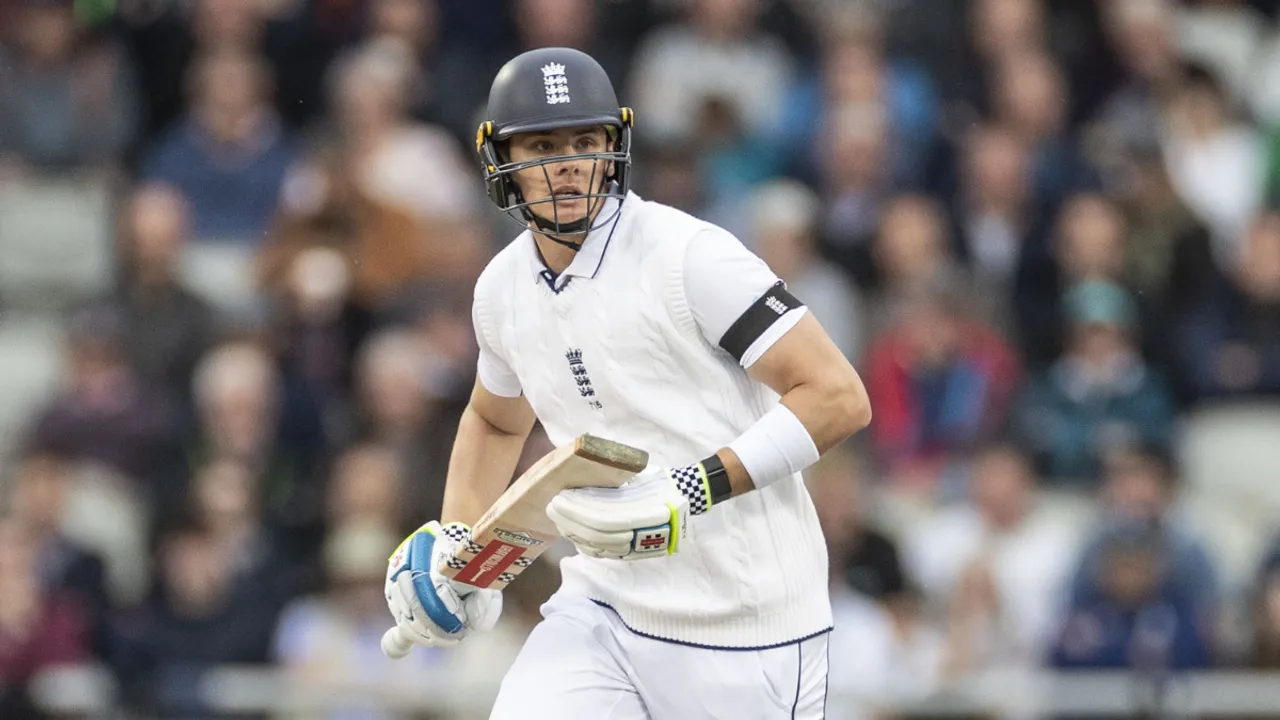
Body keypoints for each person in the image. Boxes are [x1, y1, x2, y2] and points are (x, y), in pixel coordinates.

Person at [379, 47, 872, 719]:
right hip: (601, 605)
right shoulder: (499, 289)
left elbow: (839, 397)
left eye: (585, 141)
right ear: (500, 159)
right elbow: (494, 419)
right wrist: (463, 551)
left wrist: (693, 487)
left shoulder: (690, 255)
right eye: (543, 145)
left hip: (748, 621)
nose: (568, 163)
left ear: (614, 147)